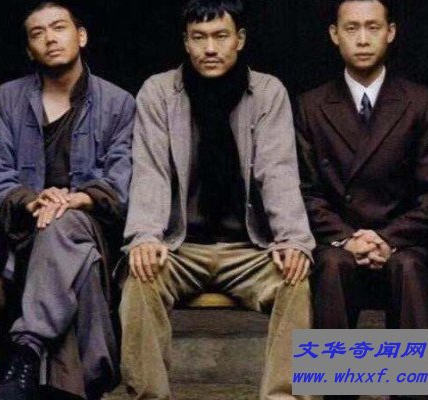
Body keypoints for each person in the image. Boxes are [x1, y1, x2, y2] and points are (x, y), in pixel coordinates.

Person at [119, 0, 315, 399]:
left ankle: (295, 394)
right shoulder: (160, 92)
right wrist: (145, 235)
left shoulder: (268, 92)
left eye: (220, 36)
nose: (210, 48)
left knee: (309, 276)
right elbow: (151, 172)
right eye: (199, 37)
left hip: (258, 248)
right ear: (185, 42)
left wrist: (294, 238)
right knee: (139, 277)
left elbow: (277, 170)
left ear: (239, 40)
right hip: (182, 246)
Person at [0, 2, 135, 399]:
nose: (50, 39)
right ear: (29, 49)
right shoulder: (8, 99)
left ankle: (26, 352)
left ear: (81, 36)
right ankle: (87, 383)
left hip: (93, 228)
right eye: (38, 33)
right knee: (74, 257)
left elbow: (122, 182)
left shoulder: (119, 103)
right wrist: (33, 202)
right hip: (24, 233)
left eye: (59, 28)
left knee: (64, 228)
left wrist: (77, 199)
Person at [296, 1, 428, 399]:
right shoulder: (310, 105)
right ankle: (338, 392)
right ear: (334, 35)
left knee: (410, 269)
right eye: (351, 28)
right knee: (330, 269)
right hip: (339, 242)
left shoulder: (421, 102)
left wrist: (388, 238)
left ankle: (410, 393)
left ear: (390, 32)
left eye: (372, 27)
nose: (362, 39)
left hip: (405, 241)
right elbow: (303, 191)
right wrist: (347, 237)